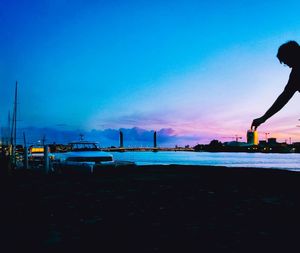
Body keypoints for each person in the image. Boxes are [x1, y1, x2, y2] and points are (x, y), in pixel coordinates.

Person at [251, 41, 300, 130]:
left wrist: (263, 118)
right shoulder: (295, 73)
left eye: (286, 62)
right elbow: (284, 97)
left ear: (292, 55)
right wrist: (263, 118)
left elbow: (284, 97)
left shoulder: (296, 73)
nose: (288, 66)